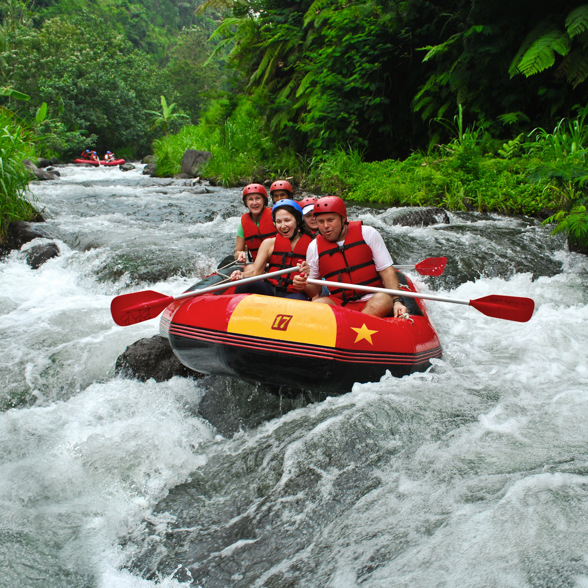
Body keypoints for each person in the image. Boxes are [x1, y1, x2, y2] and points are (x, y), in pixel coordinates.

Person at [293, 196, 409, 318]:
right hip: (341, 303)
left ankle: (352, 326)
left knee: (383, 300)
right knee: (318, 304)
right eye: (320, 222)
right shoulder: (314, 247)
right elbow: (314, 290)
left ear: (343, 218)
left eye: (330, 220)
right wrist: (304, 284)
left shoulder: (368, 233)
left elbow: (387, 271)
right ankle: (355, 326)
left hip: (373, 298)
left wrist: (397, 301)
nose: (325, 226)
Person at [230, 199, 314, 300]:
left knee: (300, 301)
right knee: (246, 284)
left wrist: (305, 278)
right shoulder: (269, 243)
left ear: (298, 220)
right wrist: (241, 274)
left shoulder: (311, 245)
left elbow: (315, 288)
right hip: (269, 290)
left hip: (294, 294)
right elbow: (255, 273)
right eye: (278, 221)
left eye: (287, 220)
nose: (283, 226)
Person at [234, 183, 277, 263]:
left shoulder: (275, 217)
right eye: (250, 199)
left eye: (258, 198)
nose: (254, 203)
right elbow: (237, 251)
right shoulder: (242, 225)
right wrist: (240, 254)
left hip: (279, 262)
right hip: (257, 264)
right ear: (246, 202)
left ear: (264, 200)